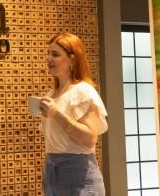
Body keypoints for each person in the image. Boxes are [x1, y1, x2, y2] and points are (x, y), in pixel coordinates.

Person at [39, 33, 108, 196]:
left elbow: (90, 138)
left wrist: (57, 114)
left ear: (73, 60)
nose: (48, 58)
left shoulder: (82, 91)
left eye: (55, 54)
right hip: (53, 171)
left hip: (79, 176)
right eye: (48, 53)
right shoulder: (50, 95)